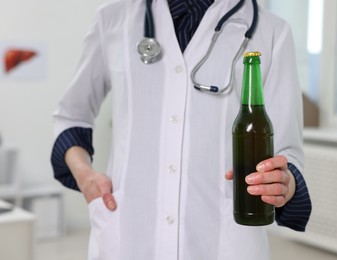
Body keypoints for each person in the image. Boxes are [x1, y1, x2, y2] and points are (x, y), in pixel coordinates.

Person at [51, 0, 312, 259]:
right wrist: (84, 175)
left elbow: (287, 153)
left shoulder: (272, 31)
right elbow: (72, 115)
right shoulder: (113, 19)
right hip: (128, 236)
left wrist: (282, 182)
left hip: (226, 244)